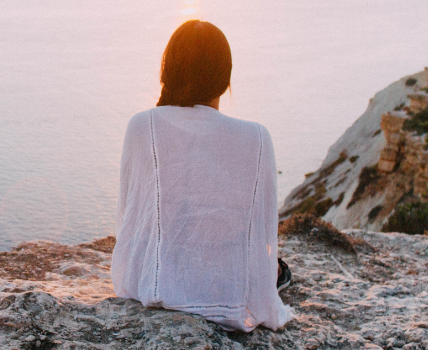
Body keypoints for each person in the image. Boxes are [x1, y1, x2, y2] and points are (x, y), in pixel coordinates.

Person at [110, 20, 293, 332]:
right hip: (227, 289)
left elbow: (130, 219)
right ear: (224, 78)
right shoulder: (257, 137)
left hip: (154, 284)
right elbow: (263, 230)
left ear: (167, 71)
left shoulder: (142, 126)